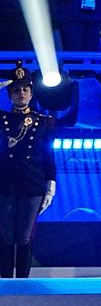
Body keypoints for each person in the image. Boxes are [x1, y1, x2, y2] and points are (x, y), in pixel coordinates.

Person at [0, 66, 55, 279]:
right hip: (5, 184)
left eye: (25, 89)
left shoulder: (43, 122)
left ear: (31, 94)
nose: (21, 93)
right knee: (6, 235)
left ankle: (23, 285)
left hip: (32, 185)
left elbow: (49, 156)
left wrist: (50, 185)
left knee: (24, 237)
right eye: (16, 90)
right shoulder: (1, 120)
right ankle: (5, 285)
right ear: (9, 95)